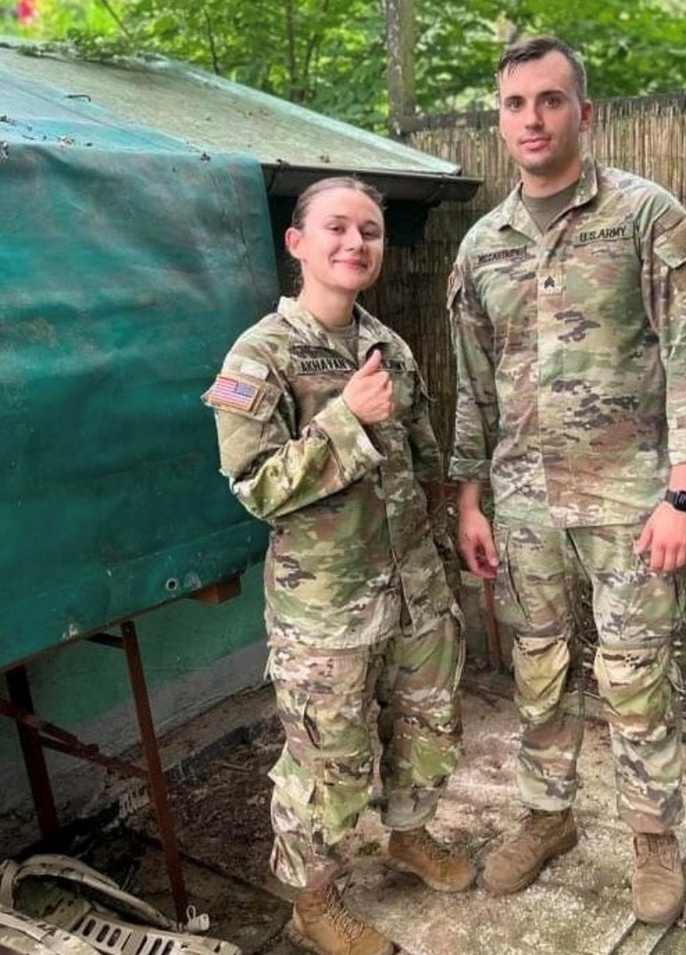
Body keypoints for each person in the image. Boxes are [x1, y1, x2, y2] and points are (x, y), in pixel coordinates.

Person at [447, 36, 686, 927]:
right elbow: (472, 383)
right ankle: (549, 816)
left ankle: (652, 832)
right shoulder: (480, 248)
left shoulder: (648, 218)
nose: (531, 119)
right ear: (499, 119)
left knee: (635, 671)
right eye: (514, 104)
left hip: (629, 502)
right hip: (522, 502)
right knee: (537, 665)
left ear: (583, 111)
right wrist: (467, 498)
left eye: (549, 100)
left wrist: (685, 492)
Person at [204, 176, 475, 955]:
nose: (356, 243)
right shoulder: (260, 356)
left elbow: (420, 459)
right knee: (331, 761)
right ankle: (314, 901)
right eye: (337, 228)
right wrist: (345, 420)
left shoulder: (388, 345)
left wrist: (454, 528)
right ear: (297, 243)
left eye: (370, 231)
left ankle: (408, 834)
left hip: (414, 588)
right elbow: (256, 486)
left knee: (428, 724)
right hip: (325, 610)